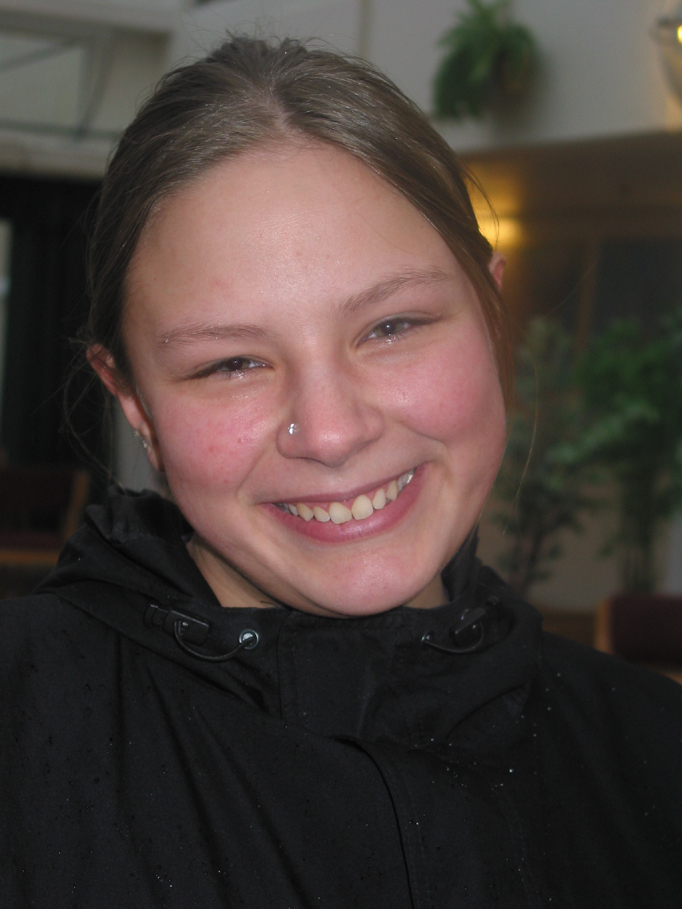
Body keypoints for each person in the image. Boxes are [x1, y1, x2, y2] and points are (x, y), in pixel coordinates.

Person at [1, 35, 681, 909]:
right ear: (134, 402)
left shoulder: (654, 753)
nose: (329, 432)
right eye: (231, 363)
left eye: (391, 326)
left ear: (491, 316)